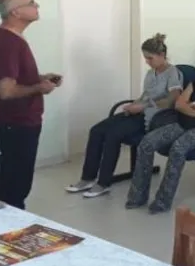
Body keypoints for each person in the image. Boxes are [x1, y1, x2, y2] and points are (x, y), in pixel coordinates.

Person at [65, 34, 183, 198]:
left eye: (150, 58)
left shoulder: (173, 73)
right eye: (145, 58)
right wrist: (134, 104)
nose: (147, 62)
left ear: (162, 56)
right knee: (96, 130)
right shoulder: (151, 73)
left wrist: (143, 106)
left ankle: (103, 183)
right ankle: (88, 178)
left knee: (114, 134)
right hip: (140, 111)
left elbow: (173, 99)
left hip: (154, 118)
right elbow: (145, 95)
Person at [126, 46, 195, 214]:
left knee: (178, 149)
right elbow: (179, 104)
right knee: (146, 143)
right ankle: (137, 197)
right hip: (183, 123)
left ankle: (162, 201)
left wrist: (194, 105)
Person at [0, 0, 61, 209]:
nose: (36, 5)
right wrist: (39, 87)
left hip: (20, 122)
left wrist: (39, 78)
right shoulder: (8, 43)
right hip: (17, 123)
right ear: (16, 12)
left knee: (17, 182)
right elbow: (6, 91)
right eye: (31, 2)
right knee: (15, 188)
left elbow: (15, 79)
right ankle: (9, 233)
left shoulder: (10, 39)